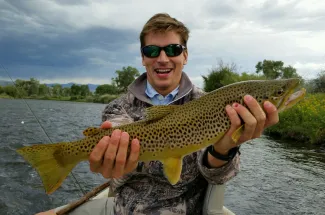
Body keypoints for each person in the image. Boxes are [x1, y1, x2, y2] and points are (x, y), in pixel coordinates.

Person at [37, 13, 279, 215]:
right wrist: (112, 162)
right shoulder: (118, 108)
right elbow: (116, 174)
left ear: (185, 55)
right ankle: (60, 156)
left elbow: (217, 176)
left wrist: (224, 148)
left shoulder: (212, 105)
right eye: (152, 50)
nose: (162, 58)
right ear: (143, 57)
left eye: (173, 49)